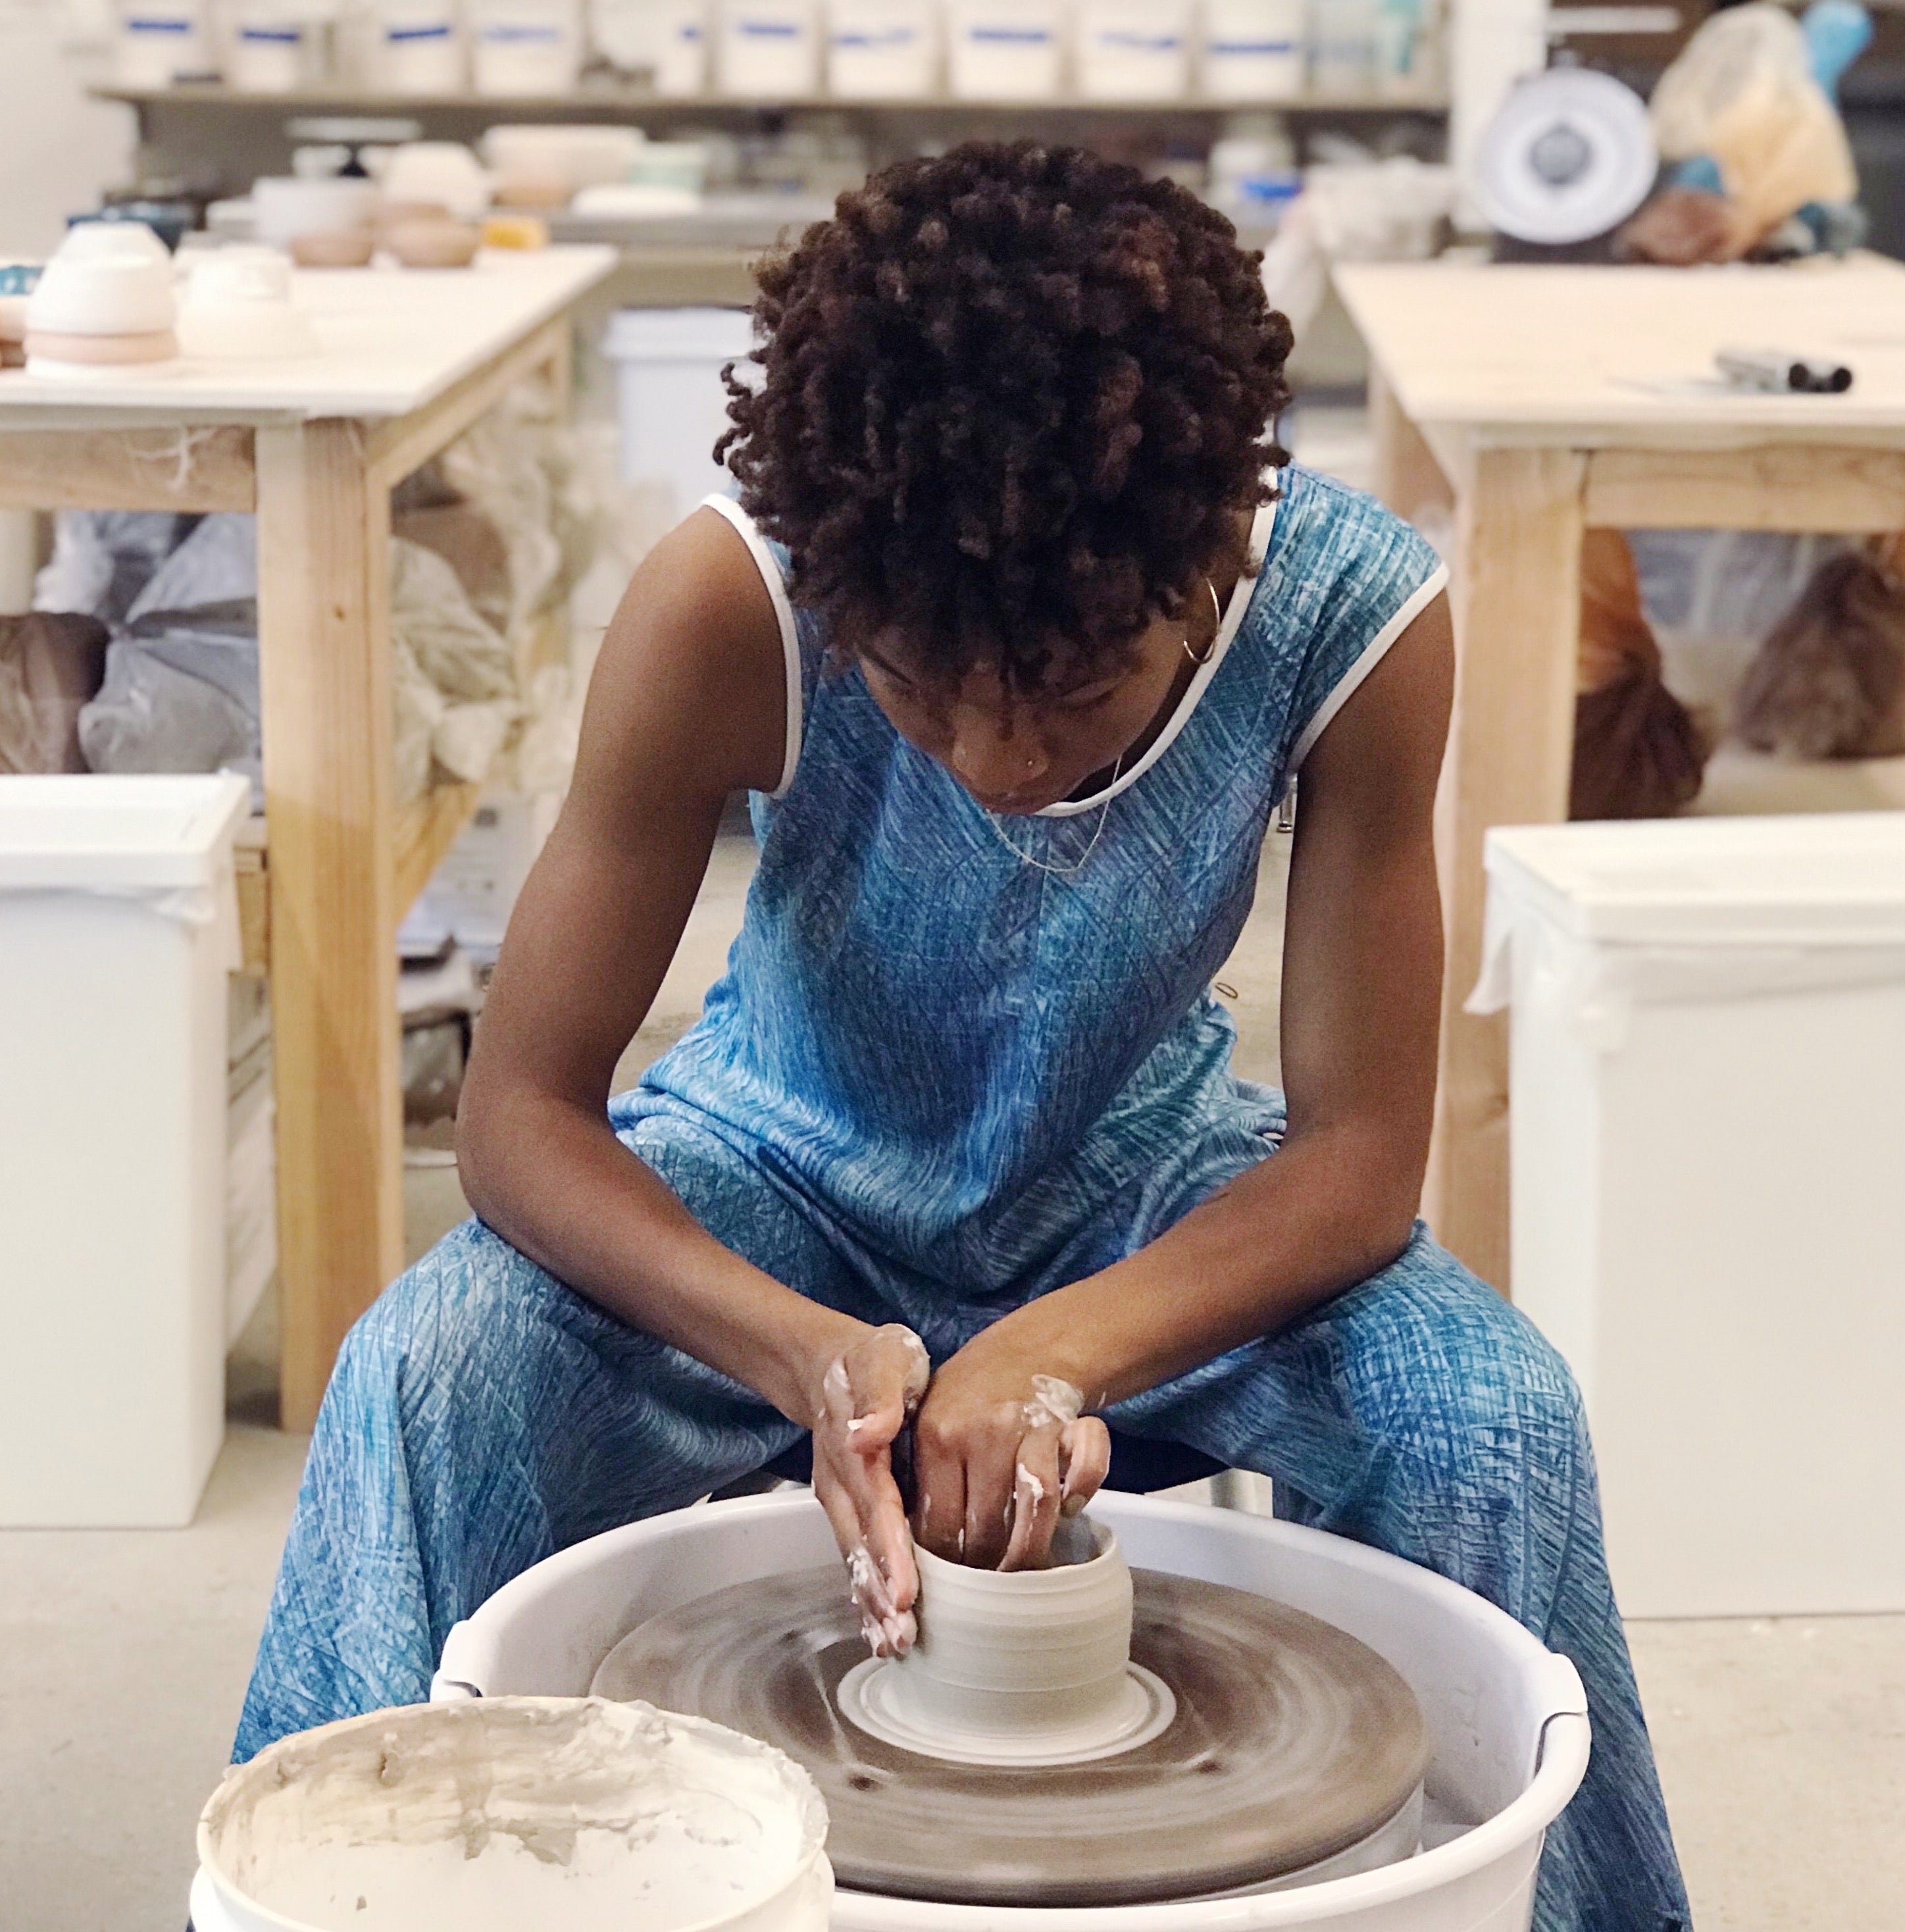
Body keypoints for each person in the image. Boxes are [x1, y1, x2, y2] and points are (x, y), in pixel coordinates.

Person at [236, 142, 1689, 1931]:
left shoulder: (1343, 617)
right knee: (418, 1377)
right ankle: (351, 1899)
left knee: (1493, 1415)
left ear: (1212, 559)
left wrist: (1065, 1344)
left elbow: (1359, 1161)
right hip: (779, 1166)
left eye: (1075, 698)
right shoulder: (738, 602)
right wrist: (796, 1351)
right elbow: (525, 1115)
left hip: (1141, 1191)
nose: (1000, 764)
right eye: (921, 692)